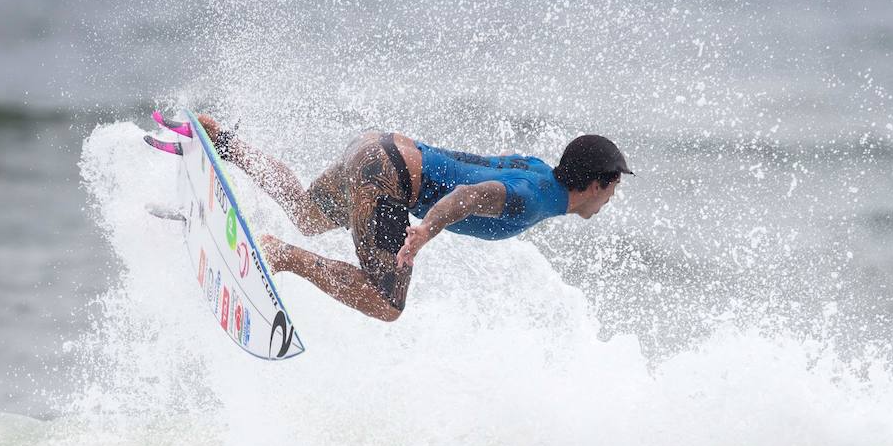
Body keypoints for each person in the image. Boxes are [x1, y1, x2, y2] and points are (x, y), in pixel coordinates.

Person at [190, 115, 631, 322]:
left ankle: (223, 142)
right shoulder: (535, 199)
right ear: (595, 183)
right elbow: (470, 193)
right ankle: (278, 254)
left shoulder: (537, 170)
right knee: (386, 304)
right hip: (389, 174)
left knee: (306, 213)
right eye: (613, 186)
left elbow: (471, 166)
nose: (612, 197)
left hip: (378, 148)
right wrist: (426, 229)